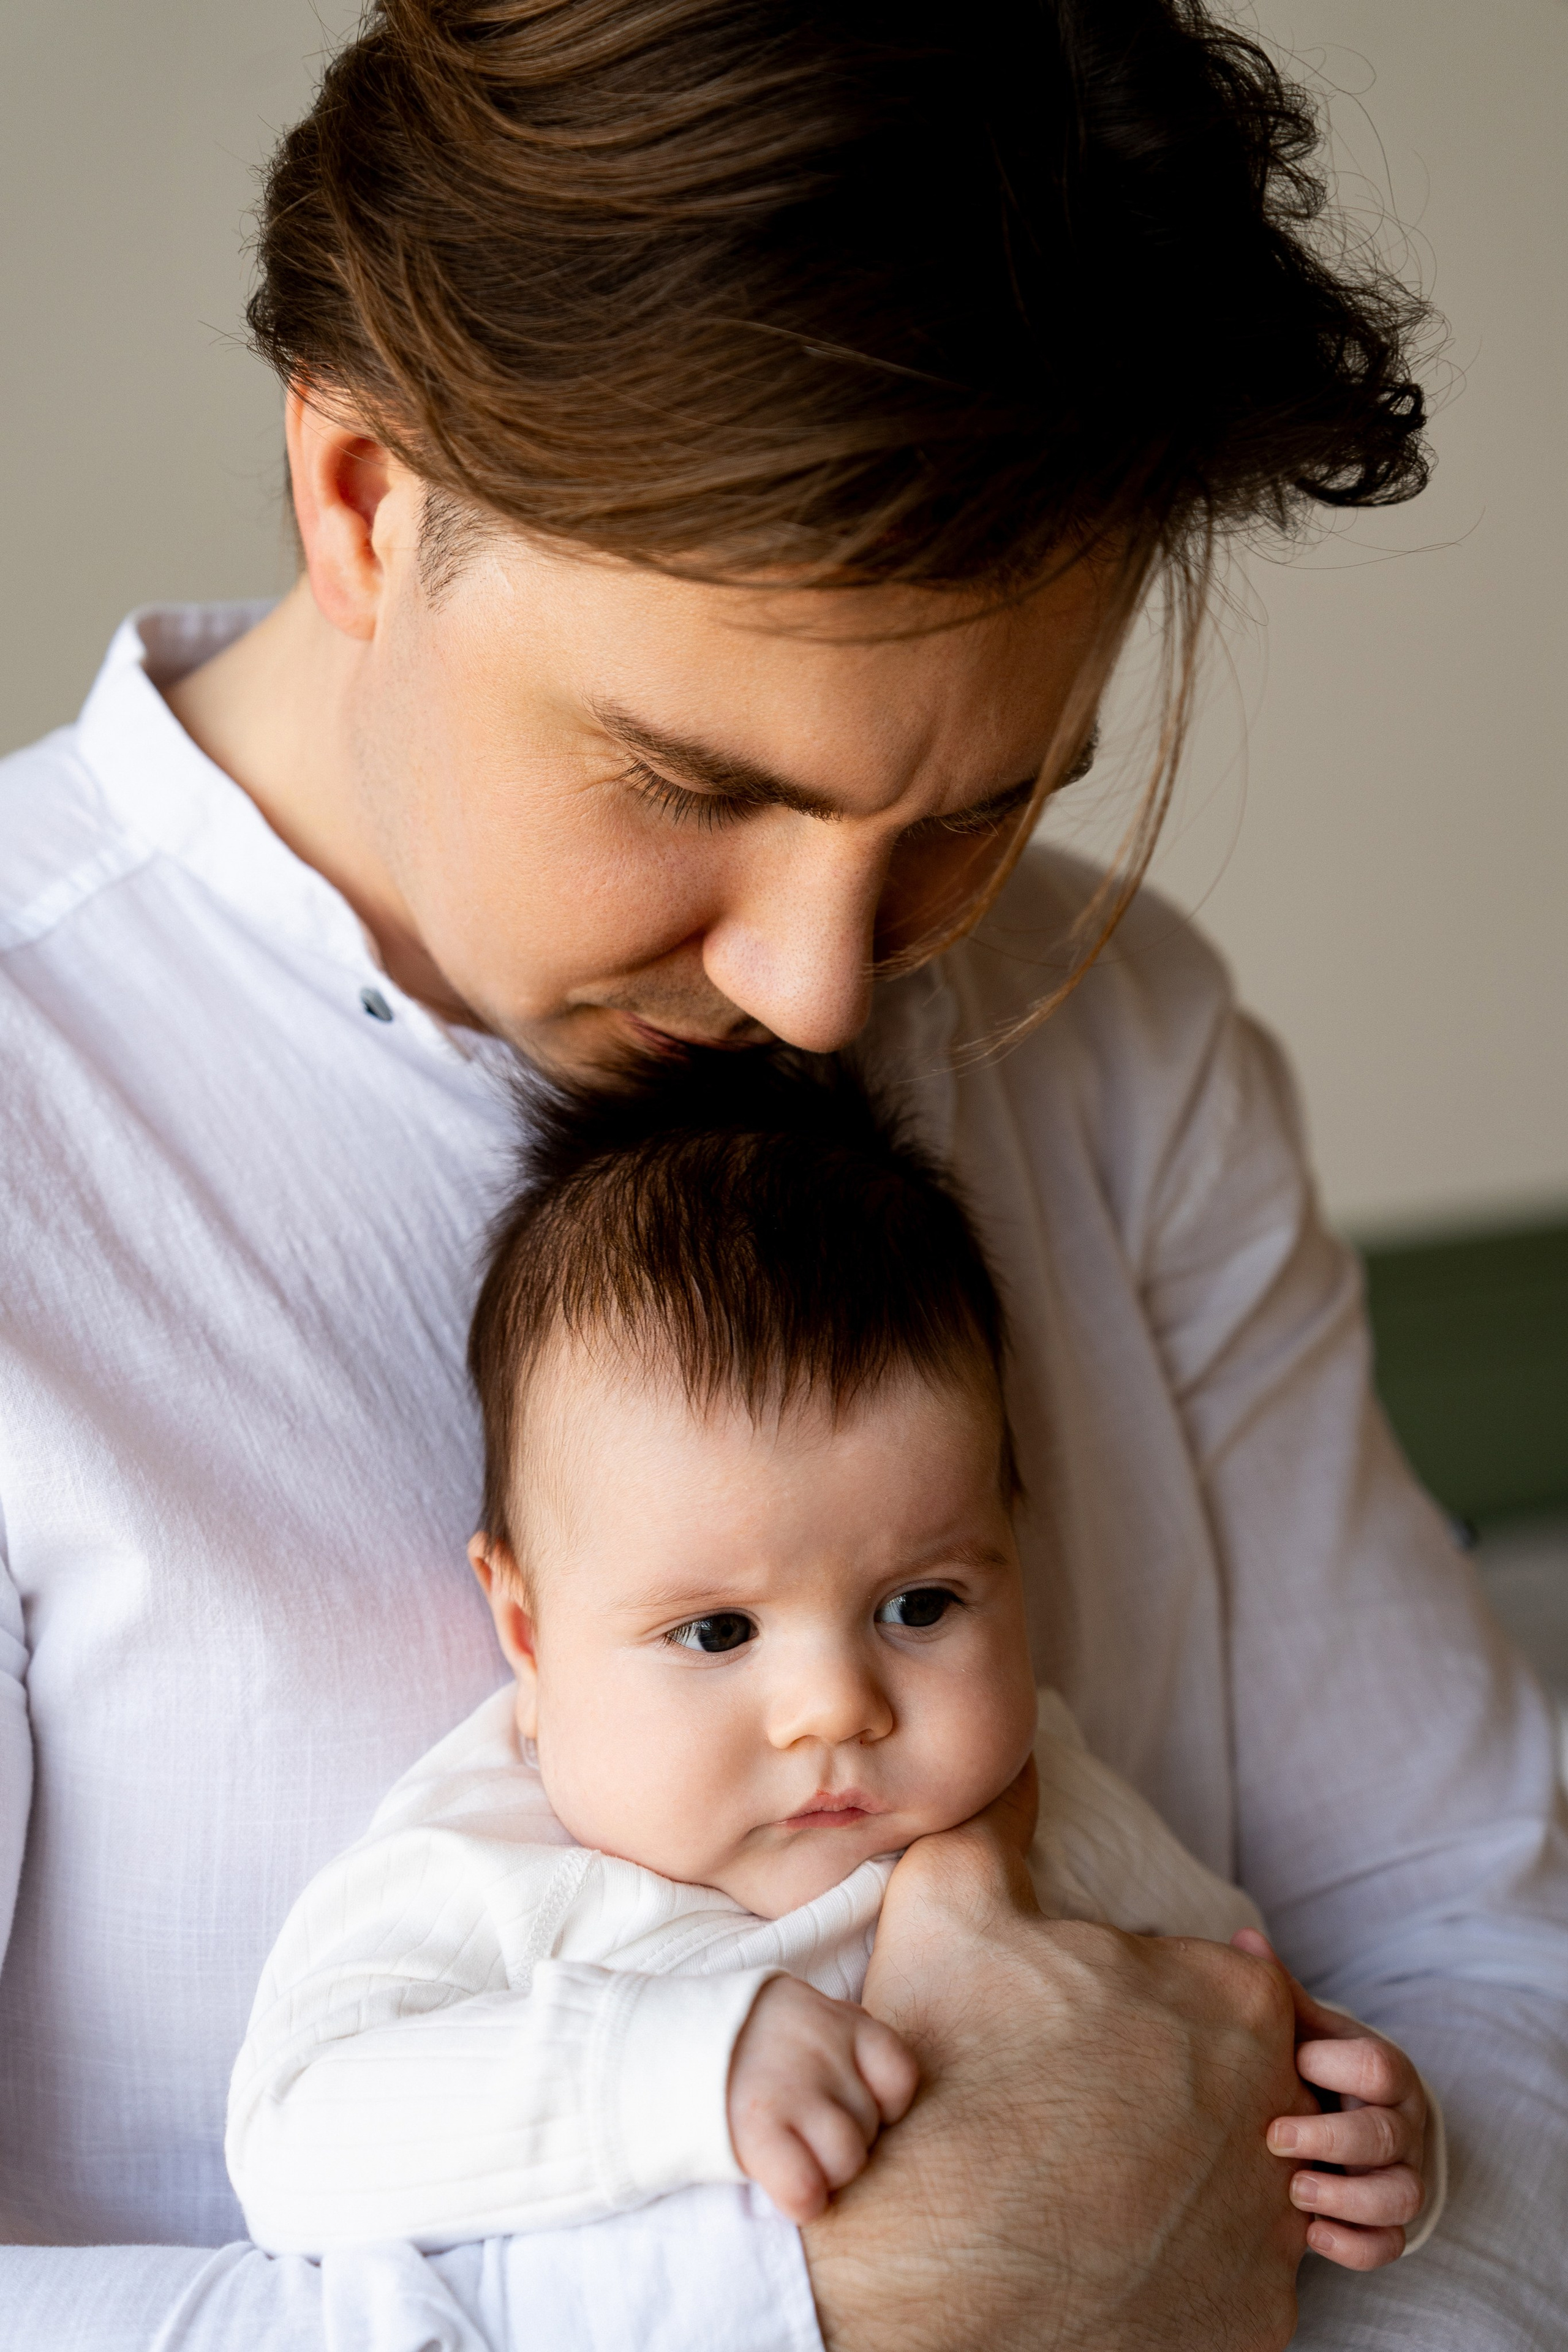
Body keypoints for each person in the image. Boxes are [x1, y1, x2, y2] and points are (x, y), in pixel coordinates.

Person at [0, 2, 1563, 2348]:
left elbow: (1473, 1950)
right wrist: (825, 2301)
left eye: (970, 810)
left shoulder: (1121, 1042)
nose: (835, 999)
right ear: (363, 501)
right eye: (690, 783)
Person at [225, 1058, 1440, 2265]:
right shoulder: (489, 1868)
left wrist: (1361, 2131)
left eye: (917, 1606)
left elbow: (1223, 2022)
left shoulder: (1050, 1812)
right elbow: (292, 2139)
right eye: (715, 1632)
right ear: (531, 1638)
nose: (833, 1708)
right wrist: (672, 2070)